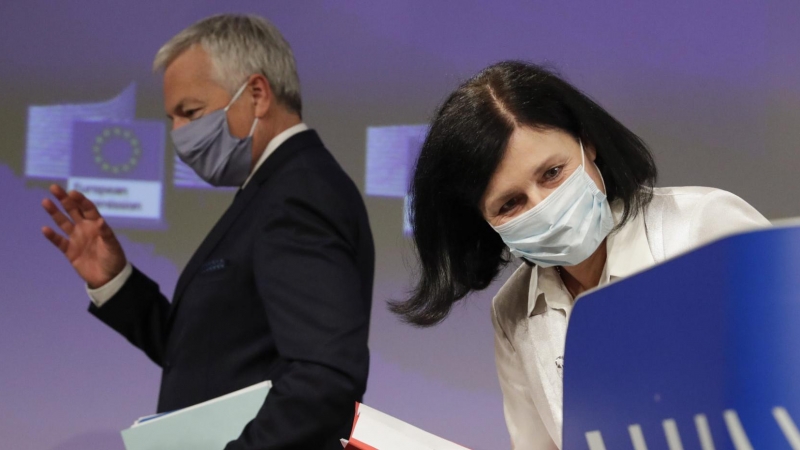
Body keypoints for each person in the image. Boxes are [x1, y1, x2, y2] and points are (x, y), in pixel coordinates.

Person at [391, 61, 769, 449]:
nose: (543, 207)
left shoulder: (703, 227)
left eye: (552, 173)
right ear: (483, 221)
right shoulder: (512, 313)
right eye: (510, 204)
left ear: (586, 143)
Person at [40, 14, 374, 450]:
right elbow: (214, 355)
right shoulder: (275, 189)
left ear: (256, 94)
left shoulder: (298, 193)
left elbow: (325, 378)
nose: (179, 133)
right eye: (171, 119)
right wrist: (115, 282)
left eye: (190, 112)